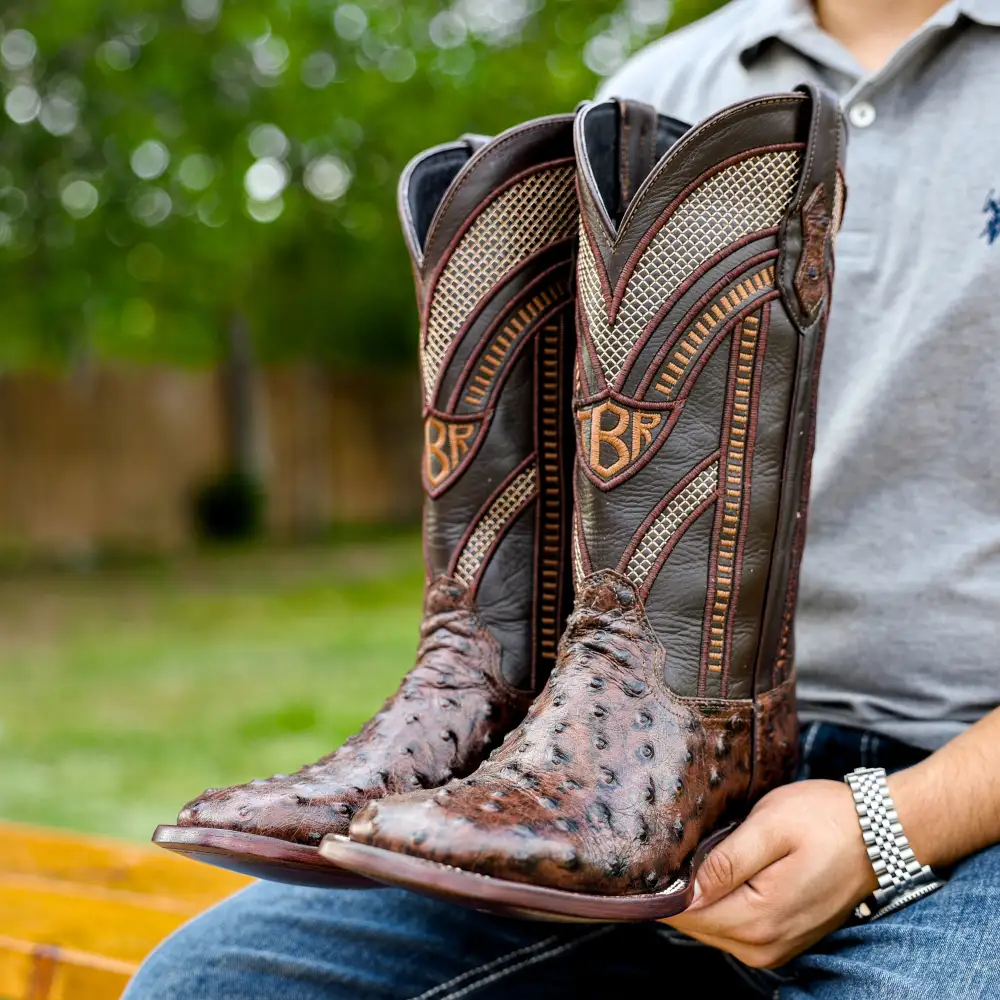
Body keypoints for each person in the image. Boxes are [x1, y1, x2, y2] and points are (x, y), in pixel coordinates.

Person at [124, 1, 1000, 996]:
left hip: (967, 796)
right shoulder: (666, 84)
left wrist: (892, 825)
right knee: (217, 983)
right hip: (638, 763)